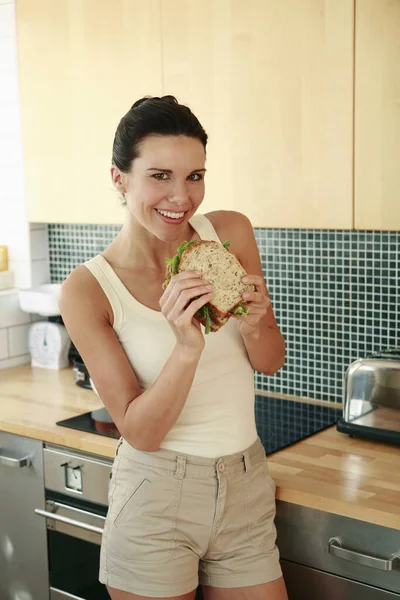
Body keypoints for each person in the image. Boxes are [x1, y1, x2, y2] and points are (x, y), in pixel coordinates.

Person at [59, 95, 288, 600]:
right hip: (156, 497)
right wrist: (187, 347)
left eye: (195, 176)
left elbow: (270, 361)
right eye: (159, 176)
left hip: (246, 482)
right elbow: (139, 432)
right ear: (119, 178)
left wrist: (254, 325)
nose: (181, 197)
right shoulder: (89, 289)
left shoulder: (228, 233)